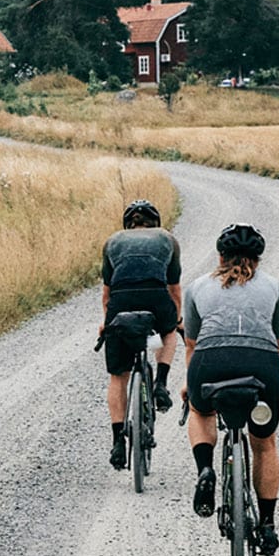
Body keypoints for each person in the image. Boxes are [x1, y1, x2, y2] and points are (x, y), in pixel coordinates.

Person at [182, 223, 279, 556]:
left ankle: (205, 469)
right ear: (259, 259)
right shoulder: (274, 287)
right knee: (264, 442)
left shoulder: (196, 287)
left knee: (200, 410)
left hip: (209, 362)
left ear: (220, 256)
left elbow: (192, 344)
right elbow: (275, 345)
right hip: (261, 366)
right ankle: (268, 525)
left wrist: (191, 384)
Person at [100, 199, 182, 471]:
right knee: (167, 331)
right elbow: (175, 289)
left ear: (128, 225)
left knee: (118, 376)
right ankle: (160, 382)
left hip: (120, 304)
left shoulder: (112, 242)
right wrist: (177, 320)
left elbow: (106, 293)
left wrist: (106, 323)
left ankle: (117, 442)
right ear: (155, 223)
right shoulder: (167, 239)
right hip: (156, 300)